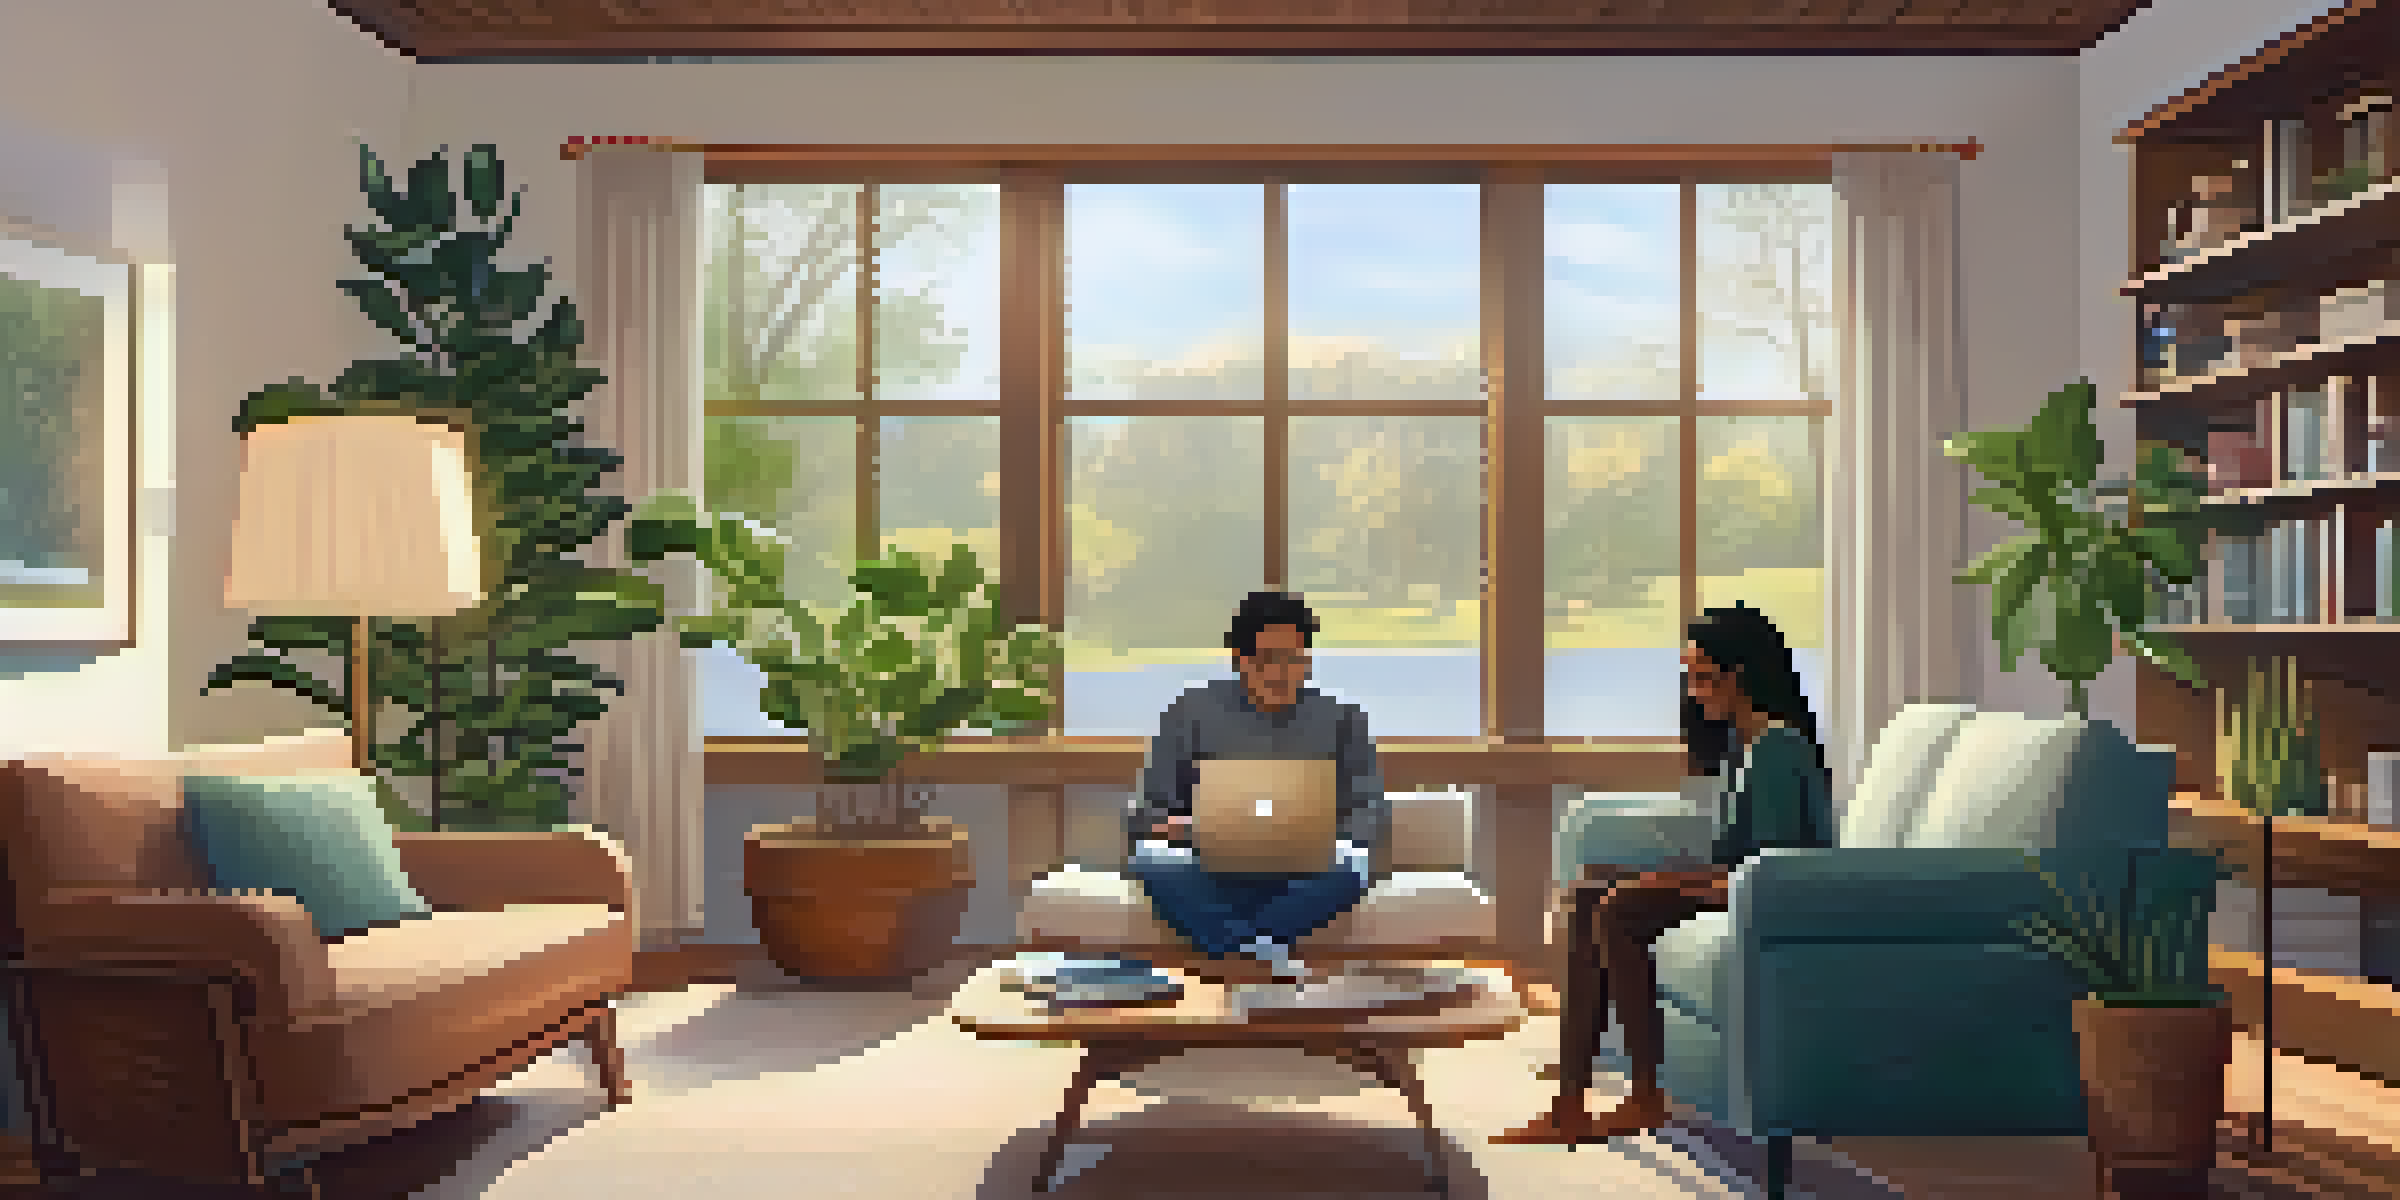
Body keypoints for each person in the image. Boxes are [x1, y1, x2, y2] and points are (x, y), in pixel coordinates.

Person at [1493, 602, 1832, 1144]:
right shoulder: (1743, 747)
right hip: (1746, 885)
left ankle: (1646, 1097)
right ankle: (1570, 1101)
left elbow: (1770, 869)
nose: (1693, 690)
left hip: (1778, 899)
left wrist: (1663, 883)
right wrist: (1664, 874)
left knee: (1624, 906)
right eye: (1689, 676)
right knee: (1589, 892)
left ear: (1738, 675)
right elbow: (1729, 859)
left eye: (1702, 677)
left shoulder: (1778, 749)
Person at [1123, 591, 1387, 984]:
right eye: (1268, 661)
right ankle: (1259, 954)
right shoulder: (1189, 711)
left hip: (1305, 869)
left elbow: (1368, 812)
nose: (1282, 673)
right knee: (1152, 861)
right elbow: (1147, 812)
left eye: (1296, 660)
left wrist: (1315, 835)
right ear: (1239, 659)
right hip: (1210, 866)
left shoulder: (1343, 717)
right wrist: (1183, 828)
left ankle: (1231, 956)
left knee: (1351, 865)